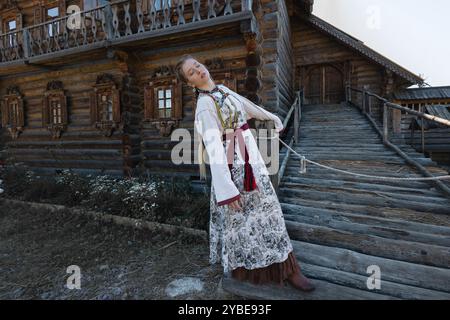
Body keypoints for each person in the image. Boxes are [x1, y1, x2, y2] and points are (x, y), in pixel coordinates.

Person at [175, 54, 315, 292]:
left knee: (270, 213)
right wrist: (227, 191)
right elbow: (214, 148)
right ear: (190, 83)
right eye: (191, 72)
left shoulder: (223, 91)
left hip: (252, 159)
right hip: (234, 169)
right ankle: (261, 271)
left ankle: (288, 269)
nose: (198, 70)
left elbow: (248, 106)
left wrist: (272, 118)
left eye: (197, 64)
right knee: (245, 223)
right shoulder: (204, 106)